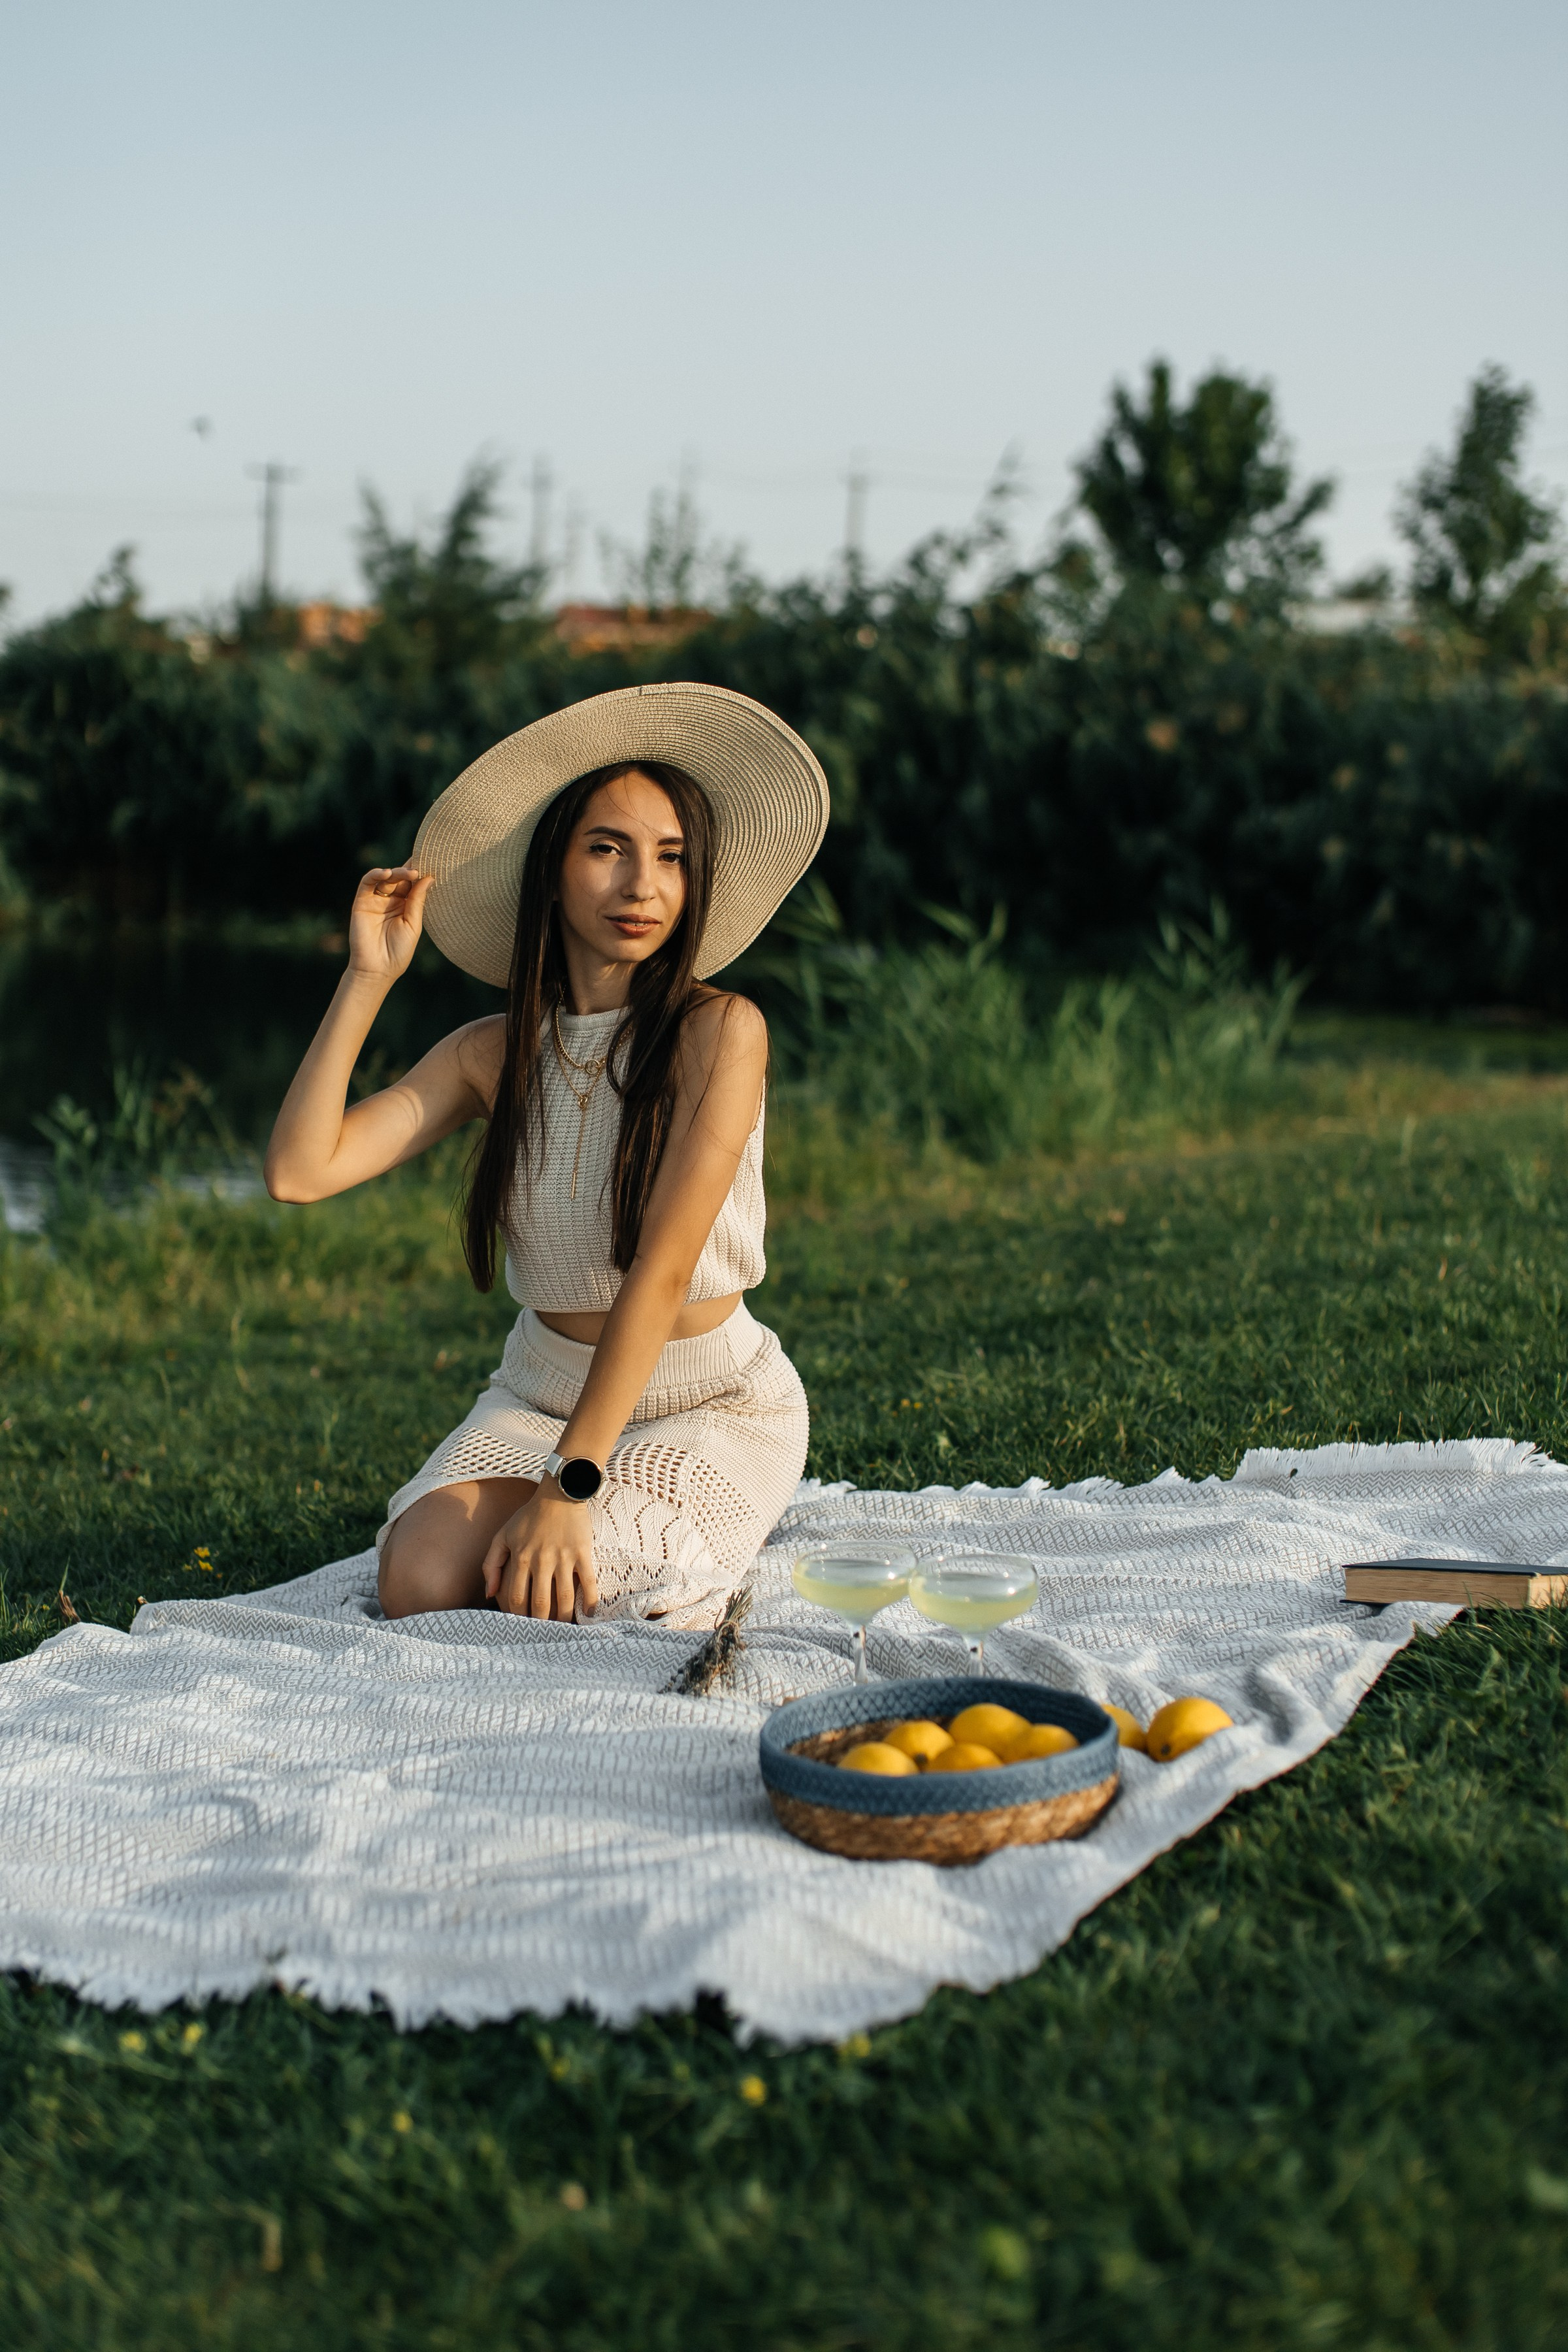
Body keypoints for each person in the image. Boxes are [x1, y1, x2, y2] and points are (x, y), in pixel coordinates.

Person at [265, 683, 828, 1630]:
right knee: (418, 1582)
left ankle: (675, 1513)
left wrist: (568, 1494)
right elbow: (300, 1170)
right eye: (607, 849)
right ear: (552, 869)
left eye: (670, 858)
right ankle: (589, 1511)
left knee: (603, 1590)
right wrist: (368, 978)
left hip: (711, 1396)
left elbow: (663, 1268)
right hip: (539, 1390)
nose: (641, 886)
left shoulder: (719, 1032)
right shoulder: (489, 1054)